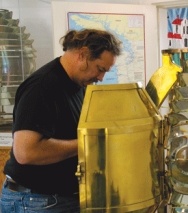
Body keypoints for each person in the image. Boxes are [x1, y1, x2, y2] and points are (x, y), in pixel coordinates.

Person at [0, 29, 122, 212]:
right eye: (100, 69)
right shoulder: (42, 87)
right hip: (36, 200)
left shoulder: (77, 84)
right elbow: (26, 152)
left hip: (57, 198)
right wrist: (89, 143)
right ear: (83, 55)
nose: (101, 77)